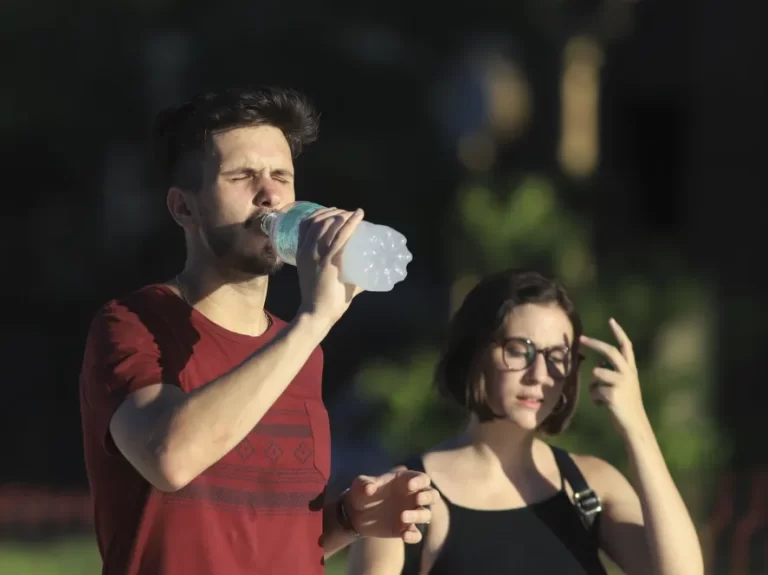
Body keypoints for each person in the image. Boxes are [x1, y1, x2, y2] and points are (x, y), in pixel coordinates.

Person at [79, 86, 437, 575]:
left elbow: (271, 537)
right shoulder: (134, 323)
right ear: (183, 208)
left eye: (281, 176)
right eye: (242, 176)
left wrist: (351, 518)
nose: (269, 195)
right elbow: (169, 458)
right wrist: (313, 322)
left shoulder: (299, 349)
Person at [348, 268, 704, 575]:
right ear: (475, 353)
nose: (540, 375)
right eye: (520, 350)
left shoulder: (589, 485)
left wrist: (637, 426)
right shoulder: (406, 497)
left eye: (557, 357)